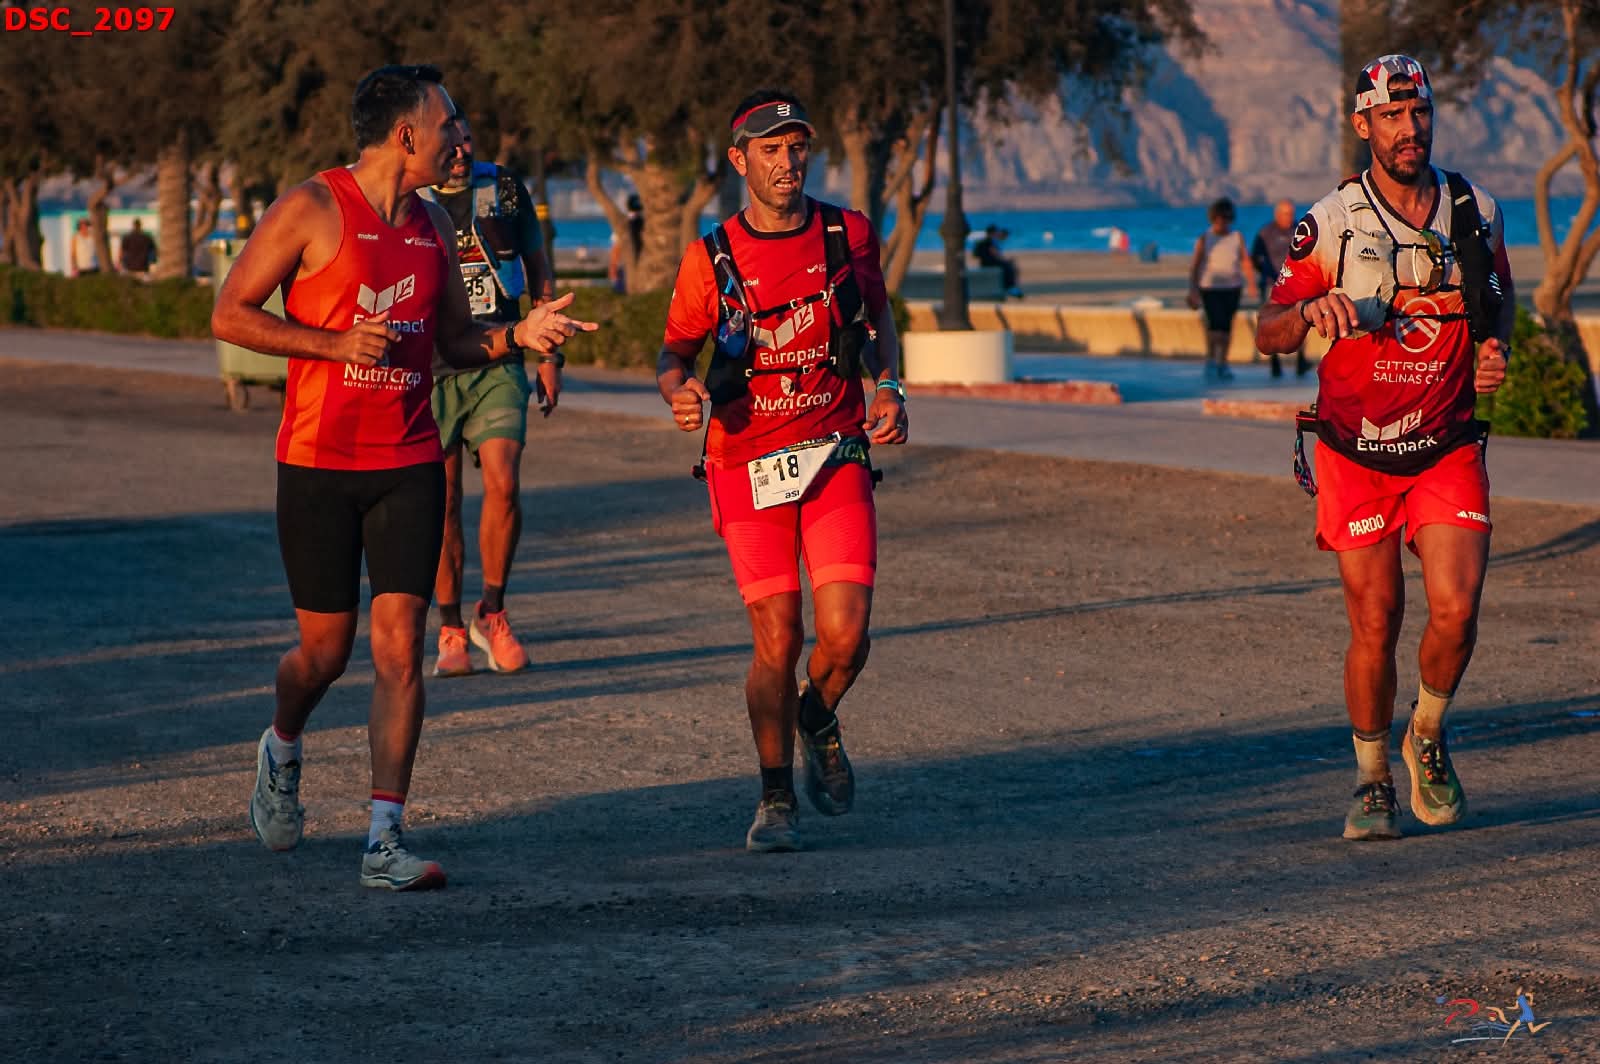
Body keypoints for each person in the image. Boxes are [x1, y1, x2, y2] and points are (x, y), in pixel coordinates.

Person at [210, 64, 596, 890]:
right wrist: (330, 344)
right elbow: (230, 313)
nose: (461, 138)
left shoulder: (432, 225)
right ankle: (282, 745)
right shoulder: (312, 207)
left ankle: (384, 840)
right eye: (449, 123)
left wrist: (519, 335)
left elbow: (455, 343)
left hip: (408, 461)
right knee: (323, 654)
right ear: (407, 134)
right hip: (317, 462)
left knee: (400, 652)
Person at [1255, 54, 1511, 841]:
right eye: (1392, 116)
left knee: (1457, 611)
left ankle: (1425, 732)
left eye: (1419, 112)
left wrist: (1495, 348)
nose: (1410, 128)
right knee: (1377, 619)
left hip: (1445, 444)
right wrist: (1311, 313)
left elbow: (1497, 300)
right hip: (1356, 453)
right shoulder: (1332, 222)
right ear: (1363, 124)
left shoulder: (1475, 209)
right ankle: (1371, 778)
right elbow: (1267, 330)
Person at [657, 89, 908, 853]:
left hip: (834, 448)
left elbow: (876, 316)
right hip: (744, 461)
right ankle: (775, 801)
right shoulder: (711, 258)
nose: (787, 161)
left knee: (846, 635)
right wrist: (679, 391)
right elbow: (674, 352)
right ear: (740, 160)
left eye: (797, 146)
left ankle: (815, 716)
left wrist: (889, 386)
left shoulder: (846, 233)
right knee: (778, 635)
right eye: (770, 149)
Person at [420, 112, 556, 678]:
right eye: (450, 142)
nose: (460, 151)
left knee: (504, 482)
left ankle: (492, 612)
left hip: (500, 356)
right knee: (444, 500)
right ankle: (451, 627)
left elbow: (537, 264)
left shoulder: (503, 187)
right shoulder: (410, 198)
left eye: (467, 140)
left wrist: (549, 355)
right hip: (432, 368)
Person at [1187, 197, 1254, 379]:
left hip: (1232, 288)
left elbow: (1245, 261)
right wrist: (1193, 290)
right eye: (1218, 219)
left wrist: (1251, 284)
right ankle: (1211, 360)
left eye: (1225, 218)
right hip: (1210, 288)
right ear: (1213, 219)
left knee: (1226, 328)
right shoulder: (1205, 238)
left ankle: (1223, 362)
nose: (1222, 223)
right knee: (1214, 328)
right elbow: (1195, 266)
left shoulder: (1236, 237)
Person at [1250, 199, 1309, 377]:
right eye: (1285, 214)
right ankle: (1274, 362)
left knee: (1300, 321)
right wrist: (1265, 274)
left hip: (1296, 284)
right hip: (1272, 285)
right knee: (1273, 322)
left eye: (1291, 214)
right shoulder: (1266, 233)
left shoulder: (1300, 230)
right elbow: (1254, 257)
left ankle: (1300, 361)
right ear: (1277, 215)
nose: (1288, 218)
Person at [972, 224, 1022, 299]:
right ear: (993, 232)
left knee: (1008, 267)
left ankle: (1011, 288)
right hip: (990, 264)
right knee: (1009, 268)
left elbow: (976, 255)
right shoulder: (989, 241)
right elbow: (995, 254)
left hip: (985, 263)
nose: (997, 233)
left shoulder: (985, 241)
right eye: (996, 232)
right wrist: (1006, 260)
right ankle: (1011, 288)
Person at [607, 194, 643, 294]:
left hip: (627, 265)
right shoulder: (645, 223)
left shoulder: (624, 223)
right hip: (637, 264)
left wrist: (613, 266)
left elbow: (616, 248)